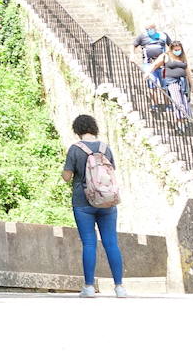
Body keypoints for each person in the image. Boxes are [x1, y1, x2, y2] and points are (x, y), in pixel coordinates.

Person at [63, 115, 127, 297]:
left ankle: (89, 287)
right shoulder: (105, 148)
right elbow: (111, 170)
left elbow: (67, 176)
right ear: (94, 127)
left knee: (89, 243)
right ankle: (119, 287)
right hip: (107, 200)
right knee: (111, 243)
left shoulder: (75, 149)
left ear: (77, 129)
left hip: (83, 202)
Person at [152, 41, 193, 122]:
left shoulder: (183, 58)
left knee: (185, 100)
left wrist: (192, 84)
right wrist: (148, 73)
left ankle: (186, 118)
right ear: (171, 49)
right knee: (177, 100)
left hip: (183, 81)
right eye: (176, 49)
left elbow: (187, 71)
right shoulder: (166, 56)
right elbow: (155, 65)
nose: (177, 51)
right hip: (172, 81)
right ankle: (180, 118)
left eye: (179, 49)